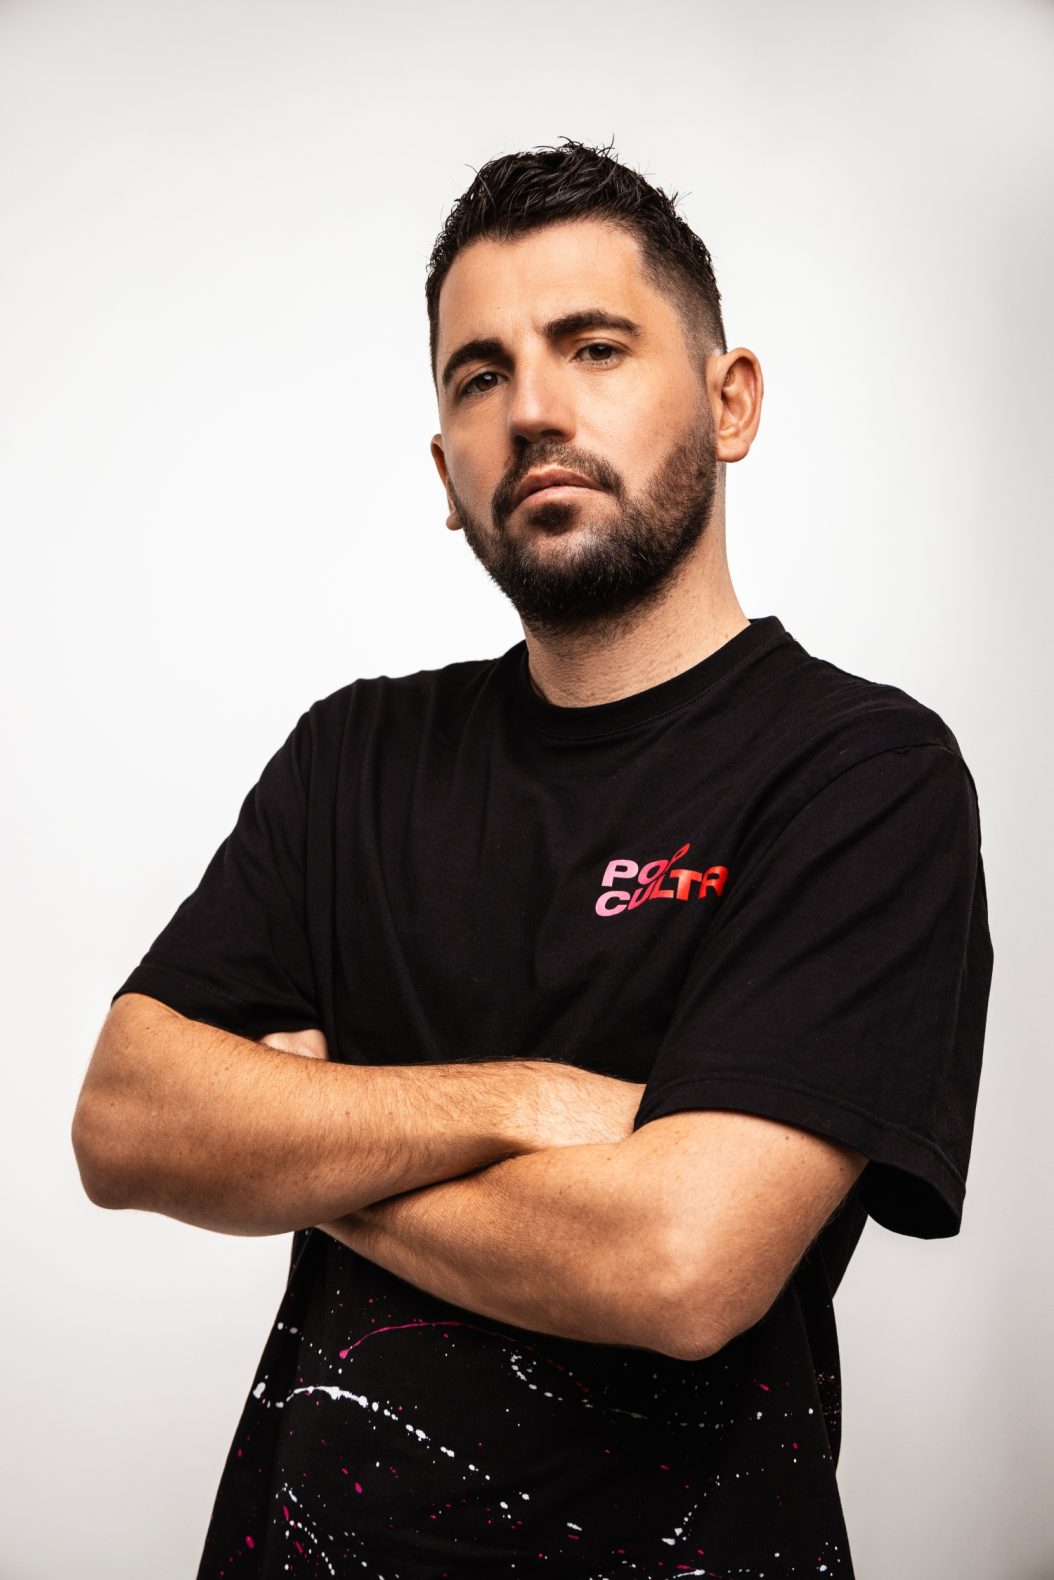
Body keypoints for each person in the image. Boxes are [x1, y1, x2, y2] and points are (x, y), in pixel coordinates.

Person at [71, 139, 993, 1580]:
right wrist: (533, 1103)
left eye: (594, 347)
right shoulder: (356, 758)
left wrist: (299, 1139)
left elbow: (679, 1264)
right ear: (447, 473)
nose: (535, 409)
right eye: (479, 375)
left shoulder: (859, 777)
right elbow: (125, 1122)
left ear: (732, 402)